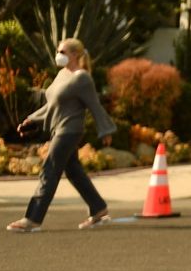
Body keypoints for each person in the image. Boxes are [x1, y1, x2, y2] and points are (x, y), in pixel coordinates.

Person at [6, 38, 118, 232]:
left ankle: (33, 219)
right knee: (73, 171)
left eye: (63, 52)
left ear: (75, 55)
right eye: (58, 51)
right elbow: (51, 105)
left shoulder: (82, 78)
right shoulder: (62, 75)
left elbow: (95, 106)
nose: (59, 55)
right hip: (58, 129)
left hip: (70, 130)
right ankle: (99, 208)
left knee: (50, 170)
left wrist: (106, 130)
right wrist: (32, 120)